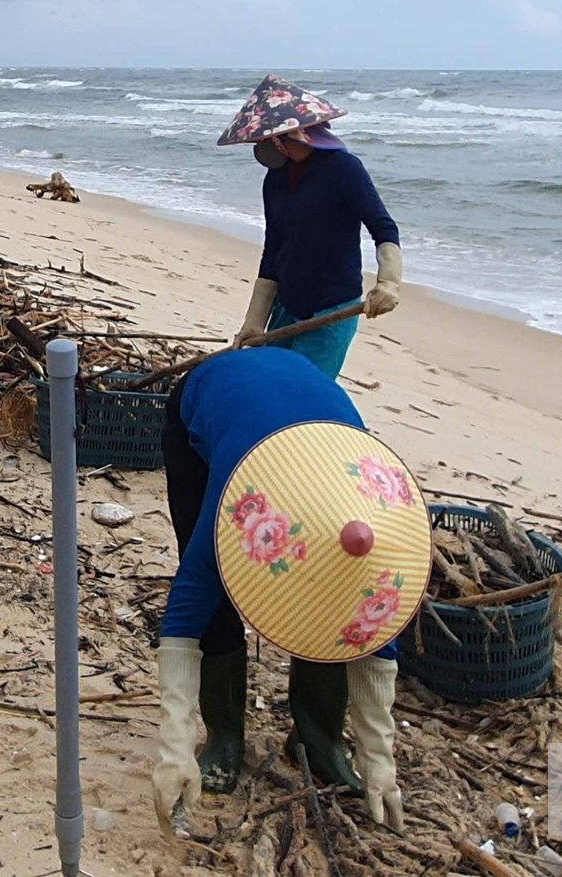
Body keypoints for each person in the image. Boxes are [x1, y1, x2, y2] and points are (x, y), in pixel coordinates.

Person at [153, 347, 424, 838]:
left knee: (335, 602)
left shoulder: (376, 513)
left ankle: (317, 743)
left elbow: (374, 632)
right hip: (209, 400)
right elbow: (186, 610)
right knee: (210, 586)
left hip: (309, 415)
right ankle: (224, 736)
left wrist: (378, 756)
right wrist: (174, 743)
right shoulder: (239, 506)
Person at [218, 75, 404, 378]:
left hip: (331, 310)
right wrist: (255, 320)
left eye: (264, 140)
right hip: (287, 306)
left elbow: (383, 226)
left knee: (303, 390)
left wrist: (388, 283)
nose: (261, 147)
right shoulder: (275, 181)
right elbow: (273, 248)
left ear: (289, 136)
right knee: (270, 384)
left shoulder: (344, 170)